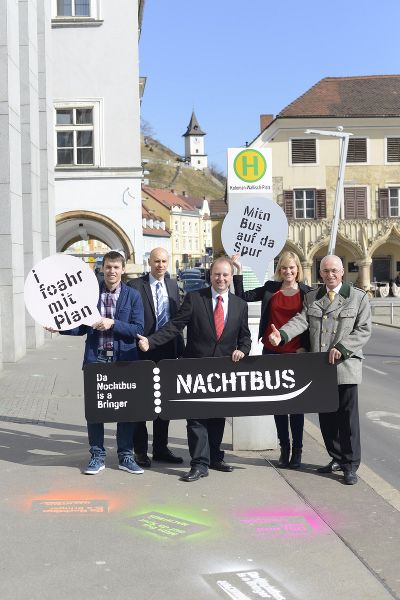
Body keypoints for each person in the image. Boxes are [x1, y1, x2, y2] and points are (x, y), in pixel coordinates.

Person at [137, 257, 252, 482]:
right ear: (210, 276)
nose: (221, 279)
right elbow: (174, 326)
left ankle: (215, 456)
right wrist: (151, 341)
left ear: (231, 277)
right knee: (196, 419)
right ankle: (199, 464)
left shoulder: (240, 304)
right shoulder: (195, 298)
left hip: (223, 370)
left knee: (218, 417)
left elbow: (245, 336)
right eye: (217, 274)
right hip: (195, 369)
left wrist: (244, 350)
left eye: (225, 275)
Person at [268, 255, 372, 485]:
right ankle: (335, 457)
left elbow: (364, 330)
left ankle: (350, 464)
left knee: (347, 419)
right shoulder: (313, 297)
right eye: (325, 271)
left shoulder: (358, 298)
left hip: (345, 367)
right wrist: (282, 334)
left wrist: (343, 348)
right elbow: (301, 321)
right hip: (321, 368)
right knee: (327, 418)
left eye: (334, 270)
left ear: (342, 271)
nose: (330, 274)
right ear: (320, 273)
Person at [48, 251, 145, 476]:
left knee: (126, 410)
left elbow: (139, 329)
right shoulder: (90, 295)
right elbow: (81, 326)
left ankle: (126, 456)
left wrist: (113, 323)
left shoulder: (133, 296)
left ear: (123, 270)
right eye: (108, 267)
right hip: (96, 358)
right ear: (102, 269)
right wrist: (59, 326)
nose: (112, 271)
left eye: (116, 267)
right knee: (95, 411)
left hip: (124, 361)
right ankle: (97, 456)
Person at [232, 251, 312, 469]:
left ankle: (297, 450)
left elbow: (312, 323)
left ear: (298, 269)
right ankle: (284, 448)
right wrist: (238, 273)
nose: (288, 271)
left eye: (292, 267)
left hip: (297, 354)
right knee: (278, 404)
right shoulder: (270, 288)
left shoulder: (307, 292)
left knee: (296, 405)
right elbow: (242, 299)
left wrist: (306, 347)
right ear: (280, 269)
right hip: (272, 352)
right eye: (284, 267)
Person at [128, 248, 184, 467]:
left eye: (163, 261)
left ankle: (161, 448)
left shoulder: (172, 285)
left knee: (164, 404)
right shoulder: (135, 286)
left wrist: (181, 348)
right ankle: (140, 451)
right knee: (142, 403)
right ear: (149, 262)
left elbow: (177, 319)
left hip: (168, 351)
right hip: (142, 351)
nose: (160, 265)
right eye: (156, 261)